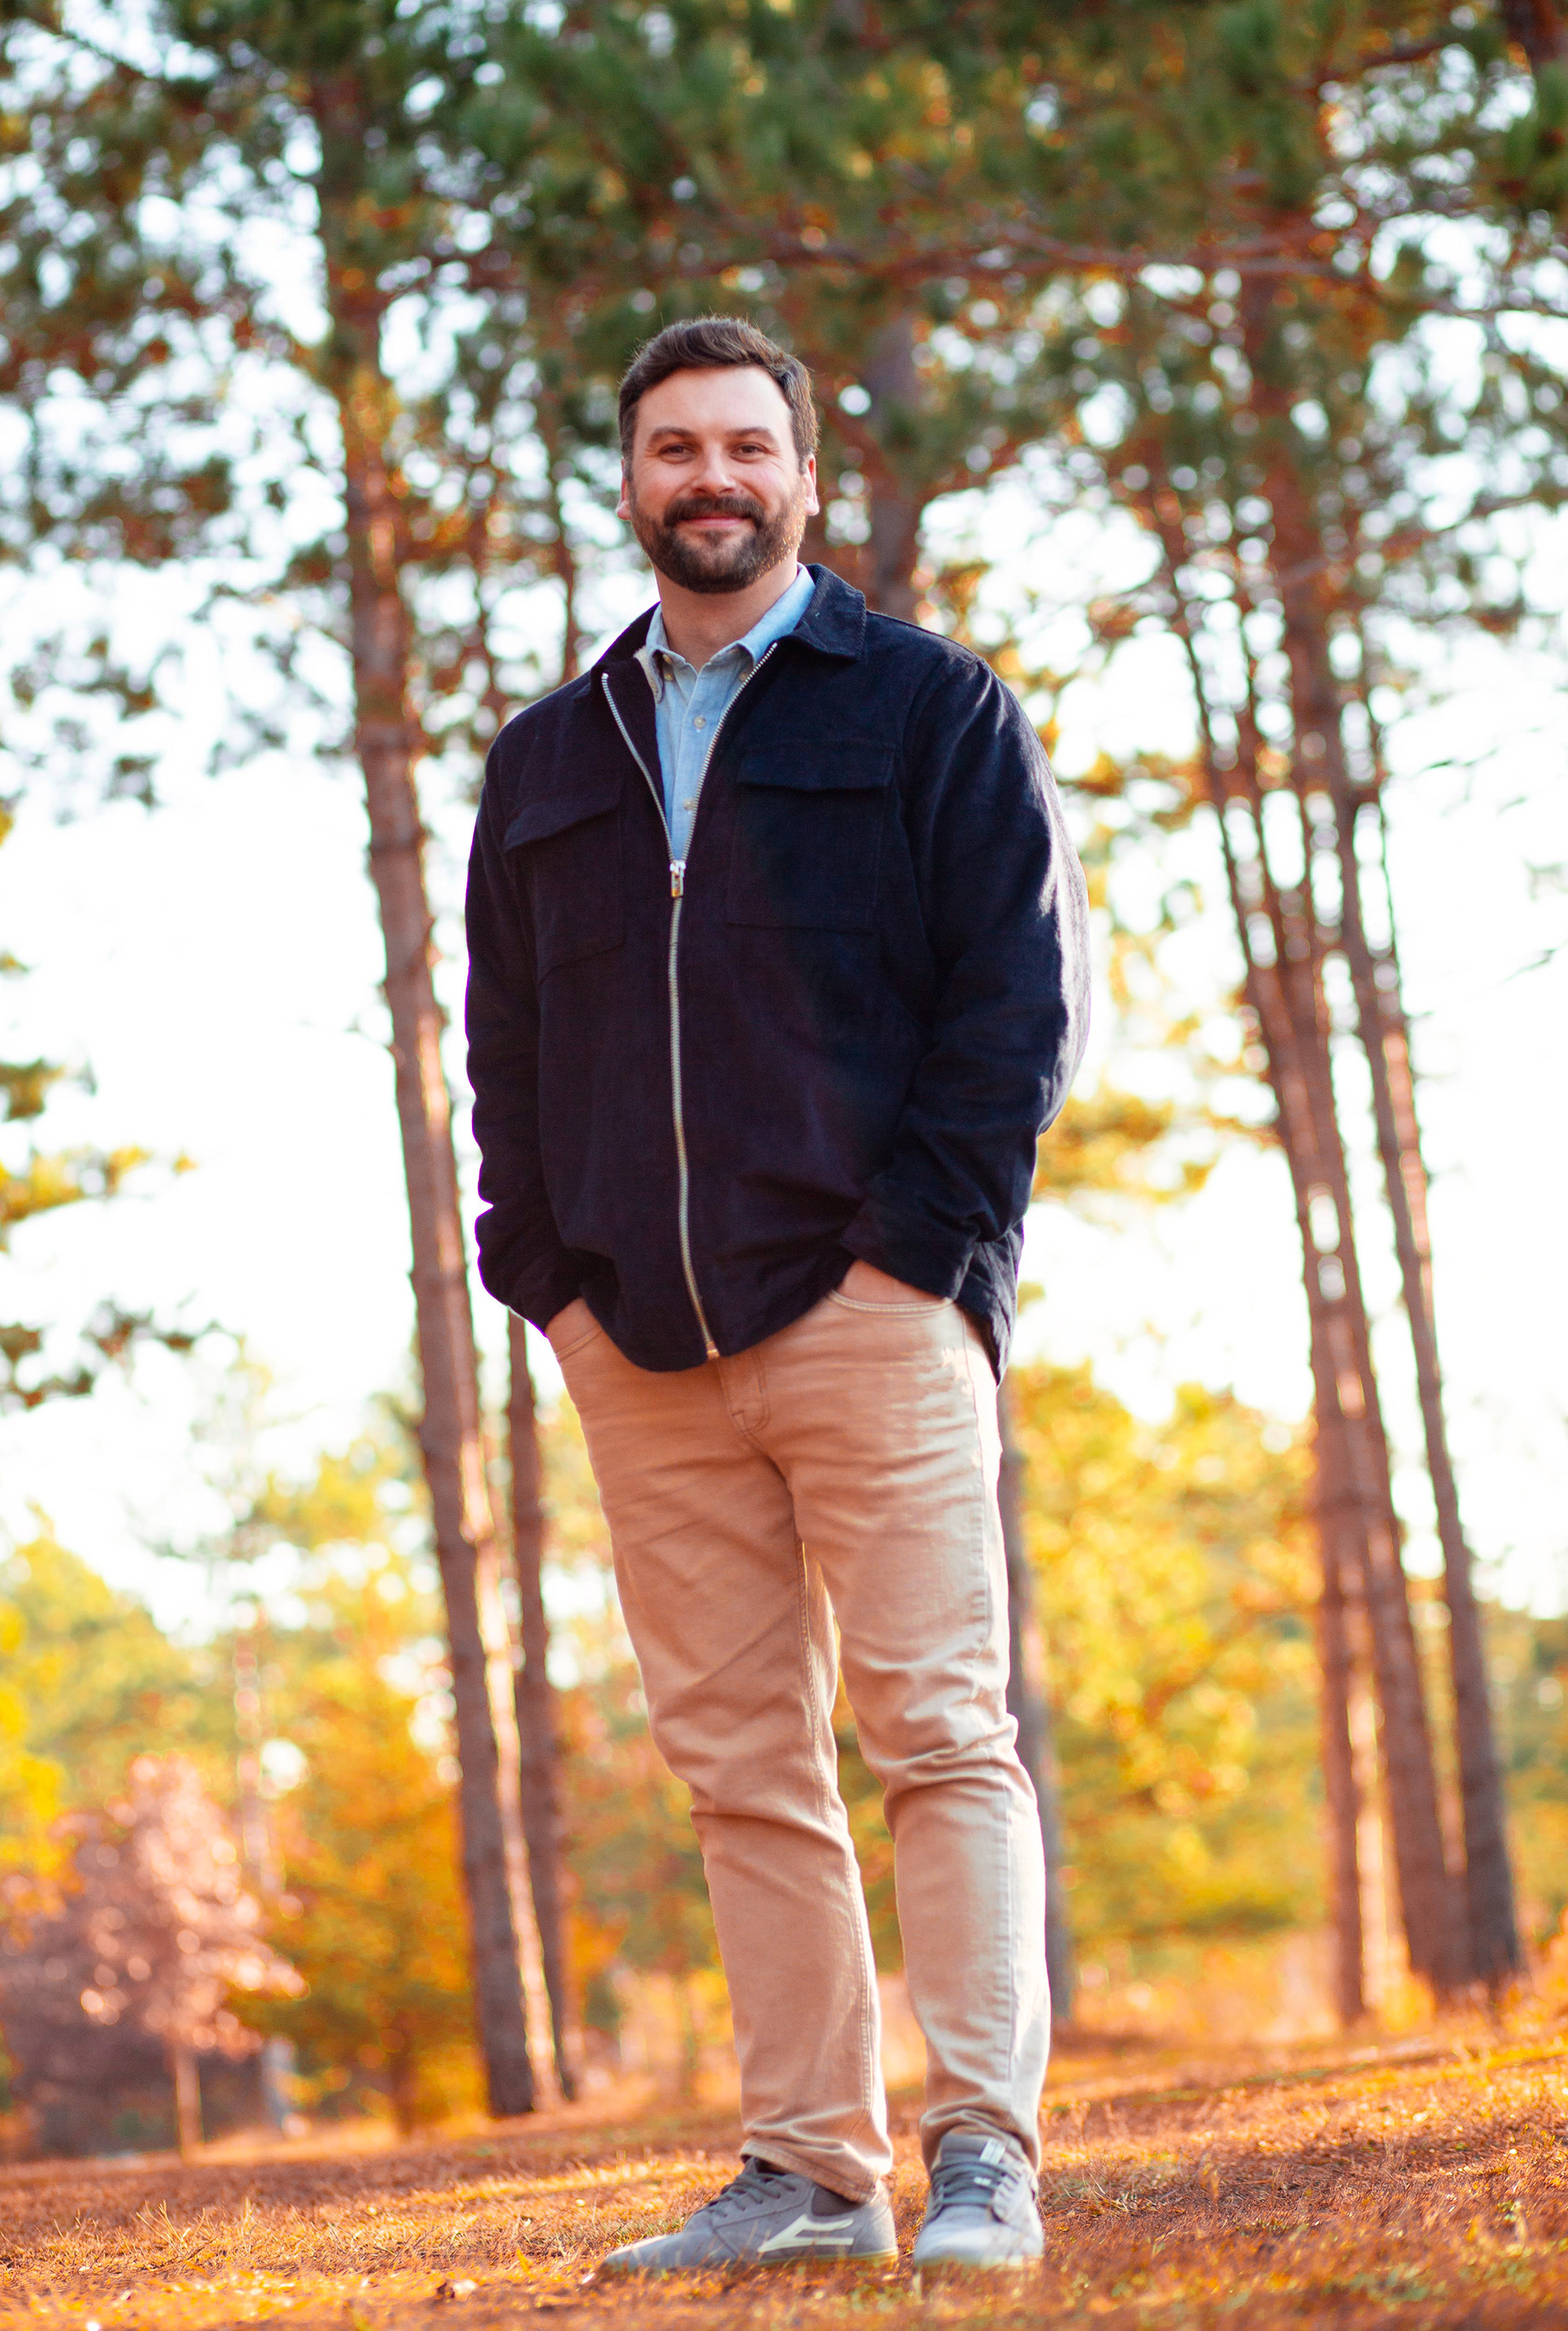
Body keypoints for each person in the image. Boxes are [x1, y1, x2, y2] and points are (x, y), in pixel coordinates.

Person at [464, 315, 1089, 2275]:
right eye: (676, 447)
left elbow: (1017, 1007)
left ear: (804, 479)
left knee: (940, 1735)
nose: (711, 477)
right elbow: (503, 1049)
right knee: (743, 1773)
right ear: (631, 481)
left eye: (747, 445)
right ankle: (814, 2174)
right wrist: (547, 1281)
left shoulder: (930, 709)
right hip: (639, 1347)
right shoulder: (548, 760)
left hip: (871, 1310)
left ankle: (982, 2157)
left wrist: (919, 1258)